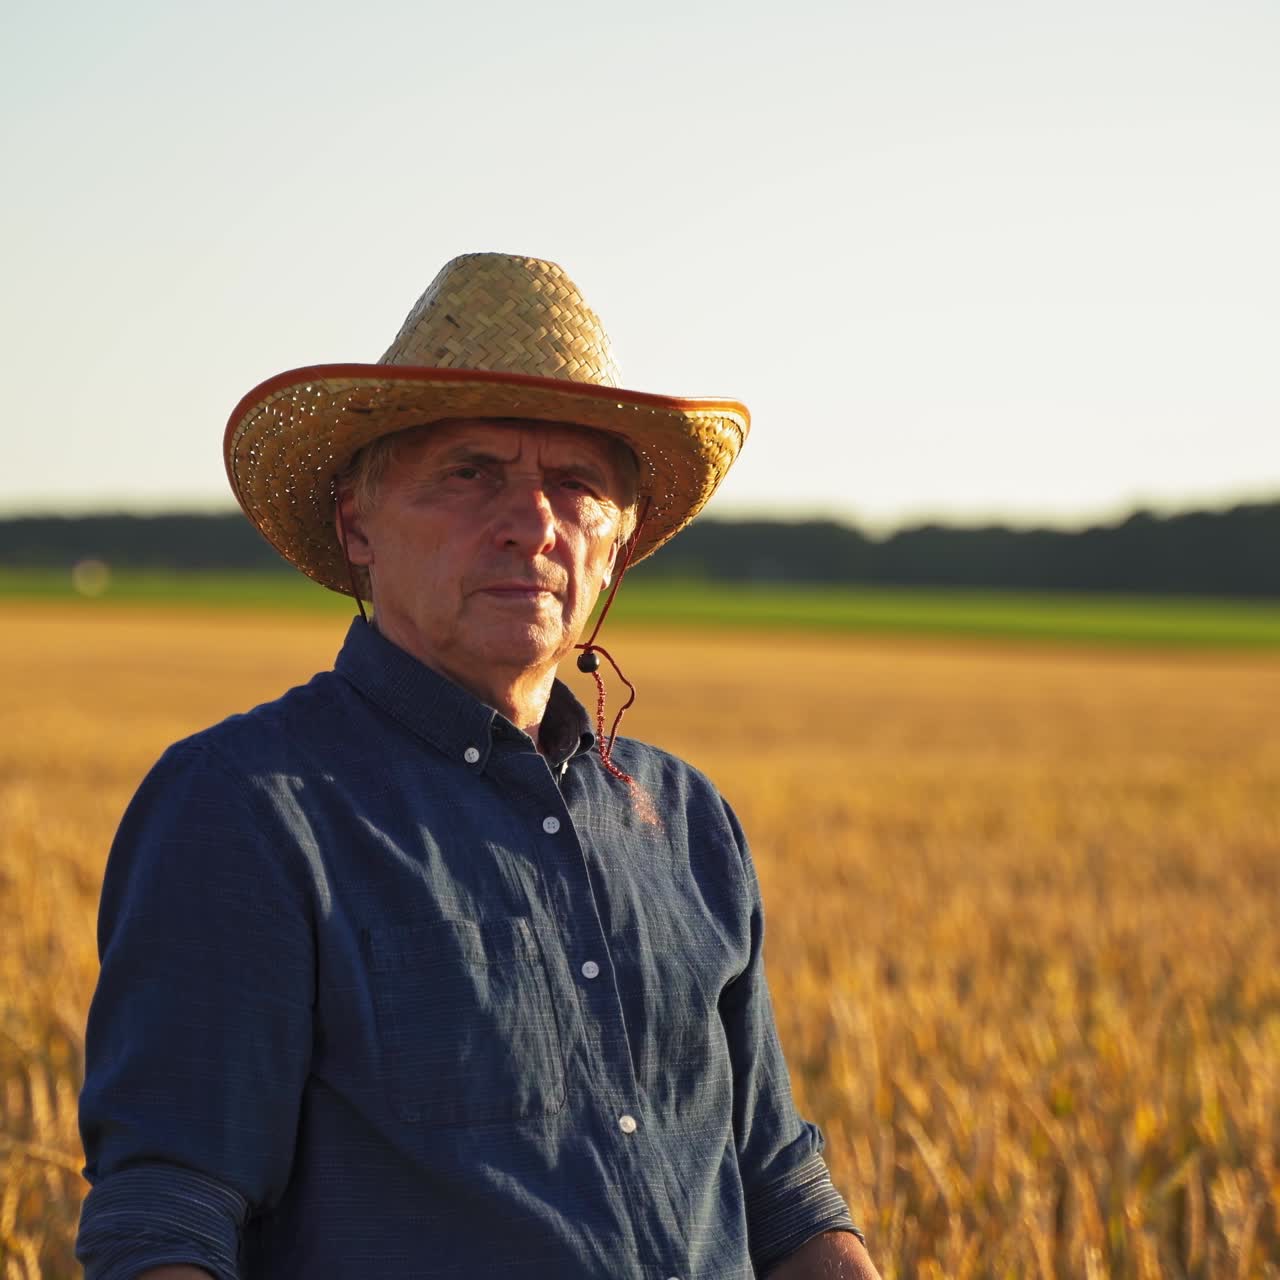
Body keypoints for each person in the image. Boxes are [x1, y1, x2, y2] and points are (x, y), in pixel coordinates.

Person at [76, 253, 881, 1279]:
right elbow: (168, 1215)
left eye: (576, 484)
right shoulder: (247, 808)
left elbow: (776, 1184)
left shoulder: (684, 818)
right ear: (356, 524)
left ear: (618, 543)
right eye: (471, 473)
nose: (531, 521)